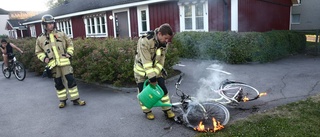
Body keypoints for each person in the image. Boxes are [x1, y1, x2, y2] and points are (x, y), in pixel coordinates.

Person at [35, 14, 86, 108]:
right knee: (58, 83)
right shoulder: (40, 38)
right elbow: (38, 52)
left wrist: (69, 53)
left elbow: (70, 44)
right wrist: (44, 58)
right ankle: (62, 101)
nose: (51, 25)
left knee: (71, 81)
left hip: (65, 63)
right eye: (49, 24)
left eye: (52, 23)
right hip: (53, 65)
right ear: (44, 25)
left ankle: (76, 99)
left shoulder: (61, 34)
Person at [133, 23, 175, 120]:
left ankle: (167, 109)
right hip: (141, 71)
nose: (167, 41)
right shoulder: (145, 41)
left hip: (155, 70)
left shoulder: (164, 44)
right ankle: (147, 111)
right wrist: (151, 77)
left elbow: (161, 61)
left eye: (168, 39)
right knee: (144, 93)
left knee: (163, 90)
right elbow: (146, 61)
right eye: (165, 38)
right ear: (159, 34)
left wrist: (155, 75)